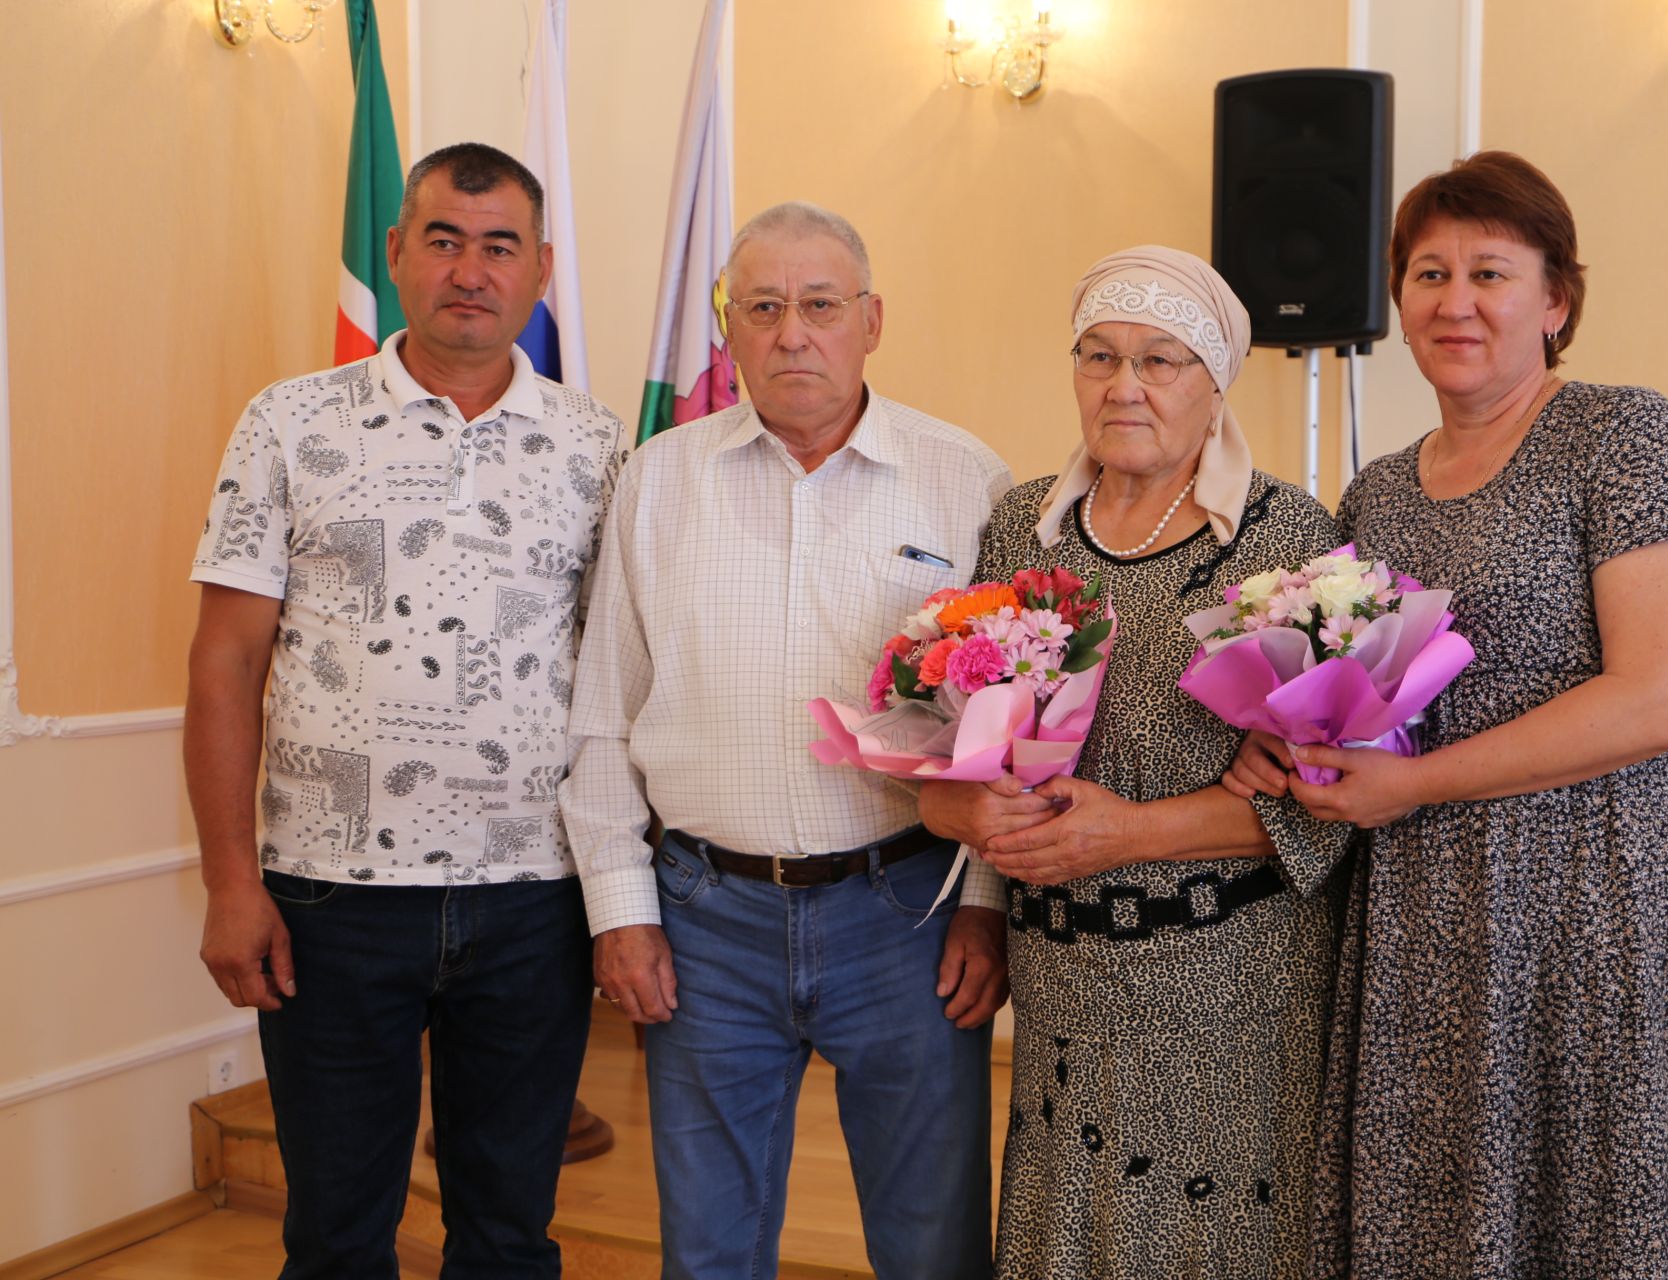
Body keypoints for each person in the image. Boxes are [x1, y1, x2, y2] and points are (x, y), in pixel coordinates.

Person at [1226, 151, 1668, 1278]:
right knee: (1437, 1192)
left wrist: (1413, 783)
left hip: (1600, 888)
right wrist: (1289, 737)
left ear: (1556, 300)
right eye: (1429, 273)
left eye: (1491, 272)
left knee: (1597, 1198)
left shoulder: (1625, 435)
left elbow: (1659, 698)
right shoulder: (1376, 486)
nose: (1456, 301)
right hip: (1428, 904)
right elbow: (1360, 688)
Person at [187, 142, 625, 1279]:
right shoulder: (289, 423)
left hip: (534, 894)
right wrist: (233, 881)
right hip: (330, 898)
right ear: (396, 255)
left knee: (508, 1232)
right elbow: (226, 662)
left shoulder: (598, 444)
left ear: (539, 268)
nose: (468, 271)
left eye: (497, 247)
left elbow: (621, 672)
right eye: (442, 240)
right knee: (335, 1234)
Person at [560, 201, 1013, 1280]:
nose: (791, 333)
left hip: (909, 916)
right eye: (762, 307)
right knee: (710, 1249)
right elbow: (599, 712)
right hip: (705, 922)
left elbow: (1011, 728)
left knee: (933, 1246)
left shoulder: (968, 480)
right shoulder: (656, 480)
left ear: (872, 320)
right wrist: (621, 913)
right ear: (729, 328)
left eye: (820, 305)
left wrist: (989, 908)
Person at [918, 246, 1353, 1280]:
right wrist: (975, 867)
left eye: (1160, 361)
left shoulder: (1285, 532)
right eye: (1099, 356)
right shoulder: (1026, 530)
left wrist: (1128, 829)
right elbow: (973, 751)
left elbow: (1325, 794)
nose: (1124, 386)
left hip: (1234, 979)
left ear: (1215, 386)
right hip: (1065, 970)